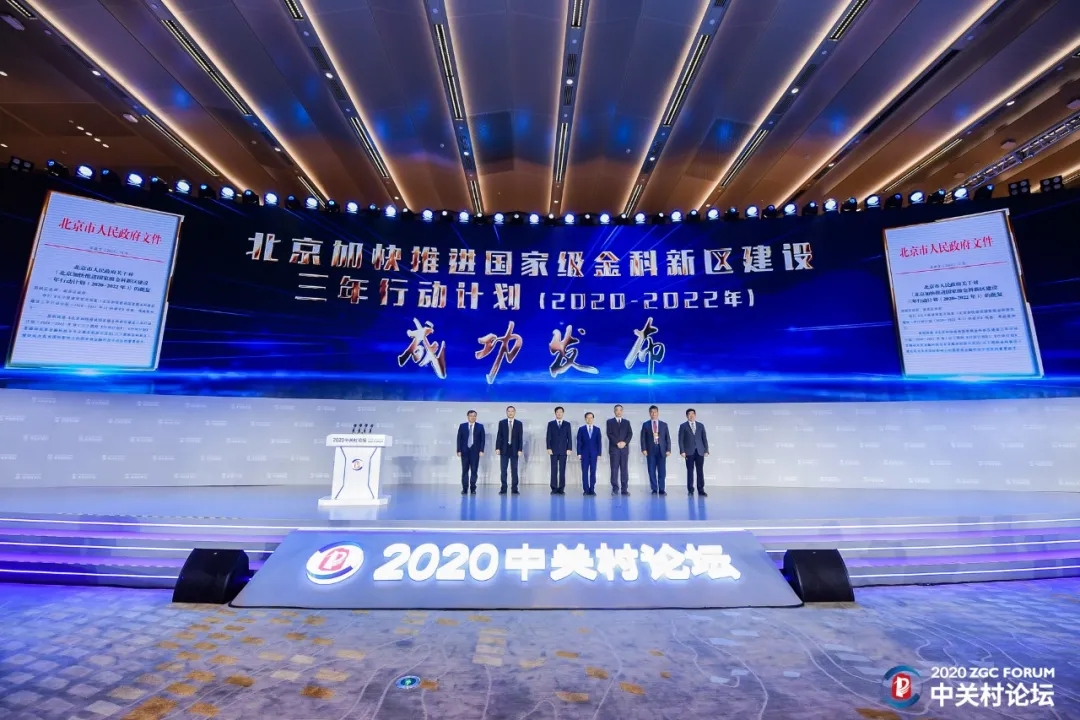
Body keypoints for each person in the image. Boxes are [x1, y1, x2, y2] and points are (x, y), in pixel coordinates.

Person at [678, 408, 709, 497]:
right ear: (686, 416)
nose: (691, 416)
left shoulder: (700, 425)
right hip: (688, 452)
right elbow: (680, 440)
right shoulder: (683, 426)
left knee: (700, 471)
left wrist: (706, 450)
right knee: (690, 471)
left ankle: (701, 490)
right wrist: (682, 451)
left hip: (700, 451)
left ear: (695, 415)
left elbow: (704, 438)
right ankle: (690, 490)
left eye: (692, 414)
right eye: (689, 414)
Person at [640, 405, 670, 495]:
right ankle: (654, 489)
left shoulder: (664, 425)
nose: (653, 414)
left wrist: (668, 449)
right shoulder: (646, 424)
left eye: (655, 412)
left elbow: (667, 438)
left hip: (661, 450)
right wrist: (644, 449)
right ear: (649, 413)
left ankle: (661, 489)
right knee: (651, 471)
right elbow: (643, 438)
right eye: (652, 412)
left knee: (662, 471)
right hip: (650, 450)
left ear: (658, 413)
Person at [494, 405, 524, 495]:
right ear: (506, 412)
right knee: (503, 470)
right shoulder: (502, 423)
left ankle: (514, 489)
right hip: (504, 449)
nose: (510, 413)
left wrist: (520, 449)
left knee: (514, 470)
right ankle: (503, 488)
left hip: (514, 450)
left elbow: (520, 438)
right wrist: (497, 448)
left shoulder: (519, 423)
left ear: (514, 412)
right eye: (509, 411)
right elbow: (499, 436)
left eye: (512, 411)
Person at [456, 410, 484, 495]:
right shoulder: (462, 426)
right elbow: (459, 439)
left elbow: (482, 440)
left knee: (474, 471)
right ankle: (464, 489)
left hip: (475, 452)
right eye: (471, 416)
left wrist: (481, 450)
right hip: (464, 451)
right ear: (468, 417)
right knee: (465, 471)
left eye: (474, 416)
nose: (473, 417)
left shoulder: (480, 426)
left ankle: (473, 489)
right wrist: (458, 450)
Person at [606, 404, 632, 496]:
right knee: (614, 469)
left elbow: (630, 434)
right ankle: (615, 489)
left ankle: (624, 489)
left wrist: (625, 443)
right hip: (614, 449)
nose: (619, 412)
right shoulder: (610, 422)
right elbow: (609, 434)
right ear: (614, 411)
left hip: (624, 449)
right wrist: (617, 443)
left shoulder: (627, 422)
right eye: (617, 410)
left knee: (624, 469)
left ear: (622, 411)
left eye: (620, 410)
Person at [546, 406, 573, 495]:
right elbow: (548, 437)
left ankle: (561, 488)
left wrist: (569, 448)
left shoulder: (567, 424)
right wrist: (548, 448)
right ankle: (553, 488)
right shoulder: (551, 424)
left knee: (562, 470)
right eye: (557, 412)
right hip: (553, 450)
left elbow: (569, 437)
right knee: (553, 469)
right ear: (555, 413)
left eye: (561, 412)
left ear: (563, 413)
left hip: (563, 450)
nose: (559, 413)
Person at [576, 412, 602, 496]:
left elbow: (599, 442)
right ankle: (586, 490)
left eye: (591, 418)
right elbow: (579, 442)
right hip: (584, 454)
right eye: (587, 418)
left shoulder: (597, 429)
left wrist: (599, 453)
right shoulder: (581, 429)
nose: (589, 419)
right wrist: (579, 453)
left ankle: (592, 489)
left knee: (593, 471)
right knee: (584, 472)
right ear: (585, 419)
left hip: (594, 453)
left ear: (593, 419)